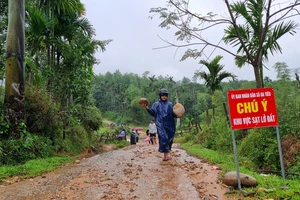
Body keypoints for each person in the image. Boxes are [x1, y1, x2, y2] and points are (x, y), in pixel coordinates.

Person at [141, 88, 182, 161]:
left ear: (167, 96)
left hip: (170, 124)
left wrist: (177, 116)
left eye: (165, 95)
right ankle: (165, 156)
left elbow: (173, 113)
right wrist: (147, 108)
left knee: (169, 139)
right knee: (163, 139)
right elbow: (152, 113)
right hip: (160, 124)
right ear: (160, 96)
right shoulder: (156, 104)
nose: (164, 97)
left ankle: (167, 153)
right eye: (162, 95)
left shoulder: (170, 104)